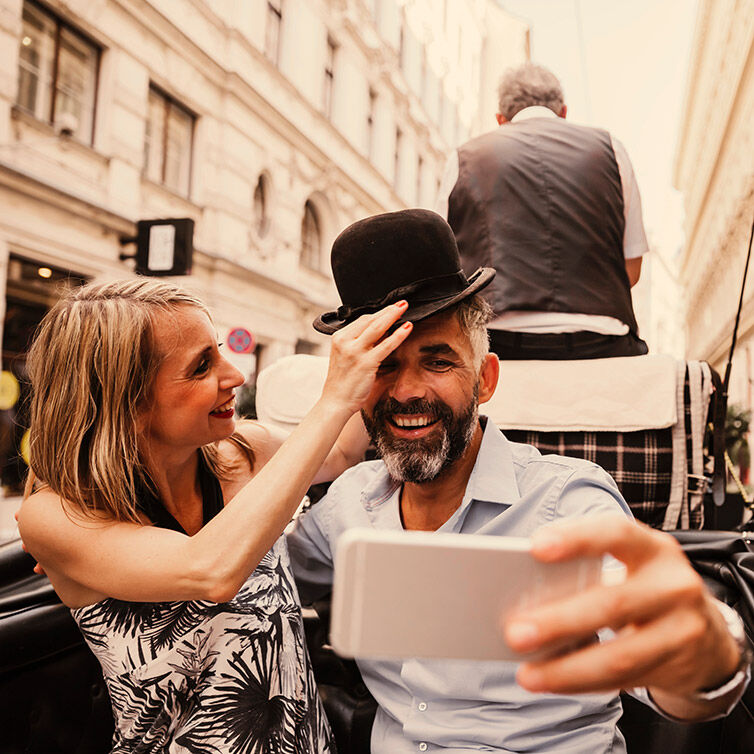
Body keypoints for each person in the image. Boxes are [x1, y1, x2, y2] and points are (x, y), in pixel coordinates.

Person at [289, 208, 751, 753]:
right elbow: (253, 580)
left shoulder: (568, 501)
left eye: (437, 362)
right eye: (384, 365)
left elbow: (661, 652)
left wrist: (705, 659)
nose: (408, 390)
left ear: (484, 380)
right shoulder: (347, 504)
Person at [16, 278, 412, 753]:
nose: (235, 375)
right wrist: (332, 399)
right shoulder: (55, 515)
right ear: (127, 398)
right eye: (202, 366)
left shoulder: (246, 452)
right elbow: (210, 570)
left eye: (220, 350)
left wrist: (376, 333)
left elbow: (343, 451)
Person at [435, 62, 650, 360]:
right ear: (563, 112)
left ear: (500, 120)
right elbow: (632, 270)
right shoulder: (611, 149)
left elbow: (443, 265)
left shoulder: (463, 158)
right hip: (601, 338)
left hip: (496, 340)